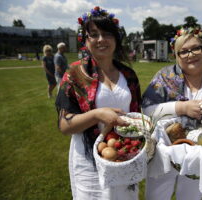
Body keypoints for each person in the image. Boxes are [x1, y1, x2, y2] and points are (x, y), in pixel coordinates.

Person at [55, 6, 141, 200]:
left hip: (124, 155)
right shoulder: (74, 75)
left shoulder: (128, 75)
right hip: (89, 162)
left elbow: (138, 115)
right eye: (94, 34)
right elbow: (64, 125)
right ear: (85, 41)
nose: (101, 39)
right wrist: (97, 114)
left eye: (107, 34)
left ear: (116, 39)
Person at [142, 26, 202, 200]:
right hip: (163, 152)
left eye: (196, 48)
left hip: (198, 157)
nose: (191, 54)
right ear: (176, 56)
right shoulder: (165, 77)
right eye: (183, 51)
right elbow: (147, 110)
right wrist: (182, 108)